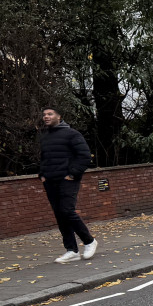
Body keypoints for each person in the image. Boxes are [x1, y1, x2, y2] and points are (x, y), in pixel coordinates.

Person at [38, 107, 96, 263]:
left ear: (59, 116)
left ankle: (89, 241)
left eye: (50, 114)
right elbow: (44, 158)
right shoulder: (45, 137)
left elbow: (84, 156)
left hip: (67, 180)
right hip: (50, 181)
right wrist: (42, 175)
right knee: (60, 215)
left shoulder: (72, 134)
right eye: (44, 115)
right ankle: (72, 250)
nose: (46, 117)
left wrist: (72, 174)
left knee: (67, 210)